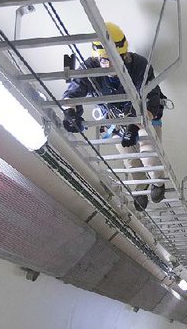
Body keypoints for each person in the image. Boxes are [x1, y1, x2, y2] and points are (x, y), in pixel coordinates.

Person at [60, 22, 166, 211]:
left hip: (144, 117)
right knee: (131, 162)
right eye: (103, 60)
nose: (107, 64)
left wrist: (135, 125)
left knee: (149, 156)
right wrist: (70, 112)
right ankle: (141, 188)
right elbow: (73, 92)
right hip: (116, 121)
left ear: (124, 55)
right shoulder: (91, 68)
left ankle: (157, 182)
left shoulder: (140, 65)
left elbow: (151, 97)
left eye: (113, 59)